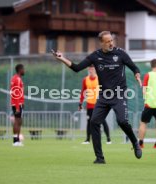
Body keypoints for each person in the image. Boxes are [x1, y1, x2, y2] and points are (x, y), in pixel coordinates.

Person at [52, 31, 142, 164]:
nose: (111, 43)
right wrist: (62, 58)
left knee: (122, 121)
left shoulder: (120, 53)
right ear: (101, 43)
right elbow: (76, 68)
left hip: (119, 94)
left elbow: (134, 68)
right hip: (104, 96)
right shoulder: (95, 56)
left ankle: (135, 142)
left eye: (112, 40)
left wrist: (137, 75)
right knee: (94, 122)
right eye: (108, 41)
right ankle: (100, 158)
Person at [79, 65, 111, 145]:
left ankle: (108, 139)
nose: (91, 70)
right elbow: (83, 92)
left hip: (99, 104)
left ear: (95, 69)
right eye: (89, 68)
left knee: (103, 121)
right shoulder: (85, 80)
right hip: (89, 105)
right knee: (89, 122)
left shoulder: (99, 78)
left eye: (92, 68)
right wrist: (80, 102)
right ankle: (87, 139)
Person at [10, 64, 25, 147]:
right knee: (17, 121)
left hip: (18, 103)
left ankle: (17, 140)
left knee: (19, 121)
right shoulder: (17, 79)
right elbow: (15, 93)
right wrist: (17, 106)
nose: (24, 71)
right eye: (23, 69)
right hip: (17, 103)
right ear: (20, 70)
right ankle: (15, 141)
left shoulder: (15, 78)